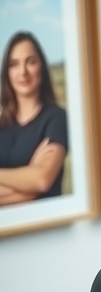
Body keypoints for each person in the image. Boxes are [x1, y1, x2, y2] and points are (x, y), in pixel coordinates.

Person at [0, 31, 68, 205]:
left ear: (42, 68)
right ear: (7, 73)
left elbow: (42, 181)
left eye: (31, 62)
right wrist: (28, 183)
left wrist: (34, 181)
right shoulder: (2, 125)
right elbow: (35, 184)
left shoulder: (57, 119)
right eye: (14, 64)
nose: (23, 72)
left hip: (47, 227)